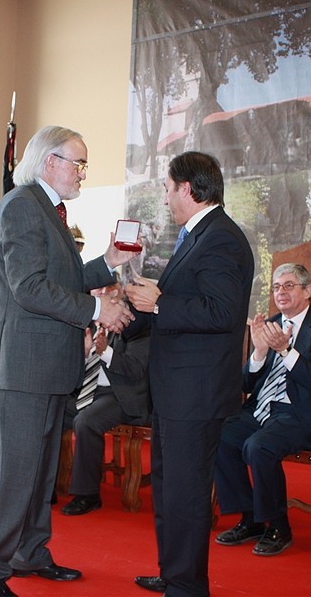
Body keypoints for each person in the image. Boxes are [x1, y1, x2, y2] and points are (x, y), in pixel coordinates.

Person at [0, 125, 135, 597]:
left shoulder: (47, 209)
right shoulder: (21, 205)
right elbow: (29, 288)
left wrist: (107, 261)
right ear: (47, 162)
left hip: (46, 362)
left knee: (39, 470)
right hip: (24, 365)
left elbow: (66, 277)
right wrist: (99, 308)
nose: (82, 172)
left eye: (83, 164)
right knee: (14, 471)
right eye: (77, 162)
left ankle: (29, 553)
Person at [124, 151, 254, 597]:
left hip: (194, 395)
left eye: (167, 188)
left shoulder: (220, 239)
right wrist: (134, 310)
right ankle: (176, 572)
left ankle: (187, 586)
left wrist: (157, 302)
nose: (164, 198)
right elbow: (179, 306)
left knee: (187, 494)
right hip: (177, 392)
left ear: (189, 189)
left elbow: (222, 311)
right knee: (169, 490)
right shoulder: (197, 237)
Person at [214, 263, 311, 556]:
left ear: (308, 290)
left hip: (302, 414)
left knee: (258, 447)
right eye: (277, 287)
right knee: (219, 434)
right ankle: (250, 519)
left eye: (289, 286)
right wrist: (259, 352)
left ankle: (278, 526)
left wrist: (286, 352)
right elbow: (245, 382)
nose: (281, 292)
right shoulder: (271, 325)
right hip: (263, 409)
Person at [61, 283, 151, 517]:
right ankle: (45, 484)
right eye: (96, 291)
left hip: (120, 395)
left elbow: (137, 369)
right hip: (87, 391)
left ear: (118, 291)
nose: (101, 295)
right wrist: (82, 354)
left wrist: (105, 352)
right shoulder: (87, 323)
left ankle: (87, 494)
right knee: (51, 410)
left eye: (106, 290)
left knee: (86, 421)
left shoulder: (135, 322)